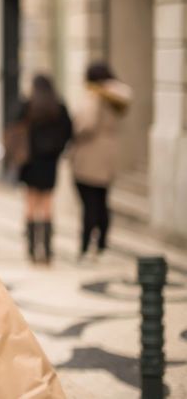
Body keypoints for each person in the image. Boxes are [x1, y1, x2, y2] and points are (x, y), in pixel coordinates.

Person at [70, 62, 131, 260]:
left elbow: (86, 124)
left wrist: (75, 131)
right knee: (102, 200)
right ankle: (102, 243)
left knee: (89, 203)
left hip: (90, 154)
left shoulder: (95, 96)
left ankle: (86, 246)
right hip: (109, 153)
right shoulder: (116, 96)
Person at [16, 74, 73, 264]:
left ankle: (32, 250)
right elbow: (69, 132)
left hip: (30, 162)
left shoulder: (27, 106)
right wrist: (56, 149)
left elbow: (14, 127)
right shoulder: (59, 107)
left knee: (30, 204)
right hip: (50, 163)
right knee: (47, 204)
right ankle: (47, 251)